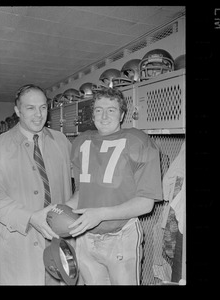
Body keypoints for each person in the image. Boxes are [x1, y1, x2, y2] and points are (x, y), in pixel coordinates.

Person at [65, 87, 163, 285]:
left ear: (122, 115)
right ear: (92, 115)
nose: (104, 115)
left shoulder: (139, 141)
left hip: (121, 236)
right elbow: (82, 192)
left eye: (111, 110)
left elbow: (145, 203)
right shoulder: (81, 142)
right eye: (99, 110)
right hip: (85, 236)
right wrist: (64, 210)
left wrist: (100, 214)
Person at [0, 84, 73, 285]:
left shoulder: (61, 140)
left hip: (59, 241)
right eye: (30, 108)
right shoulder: (0, 146)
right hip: (20, 242)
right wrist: (30, 217)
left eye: (42, 107)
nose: (38, 114)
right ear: (17, 111)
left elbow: (80, 179)